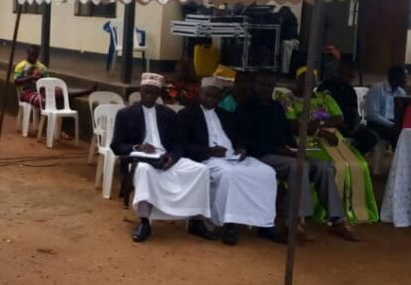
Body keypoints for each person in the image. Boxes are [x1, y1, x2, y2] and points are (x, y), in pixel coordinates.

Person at [235, 71, 359, 241]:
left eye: (270, 85)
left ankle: (338, 220)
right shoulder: (245, 108)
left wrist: (295, 150)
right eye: (262, 84)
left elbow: (286, 135)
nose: (266, 89)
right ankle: (294, 223)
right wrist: (285, 152)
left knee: (324, 167)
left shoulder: (276, 107)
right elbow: (249, 142)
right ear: (254, 85)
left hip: (283, 154)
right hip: (258, 156)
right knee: (299, 166)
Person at [111, 73, 214, 243]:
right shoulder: (125, 114)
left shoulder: (168, 114)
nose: (149, 95)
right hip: (140, 160)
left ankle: (195, 220)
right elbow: (116, 145)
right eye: (146, 91)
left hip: (165, 157)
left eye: (153, 92)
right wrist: (137, 147)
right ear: (140, 91)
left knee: (201, 170)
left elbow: (178, 143)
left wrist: (172, 157)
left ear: (159, 94)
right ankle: (144, 221)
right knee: (144, 171)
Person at [178, 79, 281, 245]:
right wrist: (210, 151)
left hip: (232, 157)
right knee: (230, 174)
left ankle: (264, 223)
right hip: (207, 159)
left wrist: (241, 149)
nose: (211, 99)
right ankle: (230, 224)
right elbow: (183, 144)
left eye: (215, 97)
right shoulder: (187, 114)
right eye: (207, 95)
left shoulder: (225, 115)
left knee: (267, 173)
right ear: (200, 94)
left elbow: (239, 137)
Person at [285, 67, 377, 224]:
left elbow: (339, 118)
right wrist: (320, 130)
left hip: (333, 139)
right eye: (304, 79)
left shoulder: (325, 97)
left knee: (359, 164)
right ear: (297, 80)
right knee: (333, 166)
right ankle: (324, 211)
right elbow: (293, 123)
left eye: (312, 80)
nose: (308, 83)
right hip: (305, 141)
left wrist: (319, 124)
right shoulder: (288, 99)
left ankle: (354, 209)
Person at [317, 59, 379, 154]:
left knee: (371, 137)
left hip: (349, 127)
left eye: (352, 77)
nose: (351, 79)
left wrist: (355, 125)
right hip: (331, 124)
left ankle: (354, 155)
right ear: (340, 73)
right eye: (349, 76)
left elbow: (354, 111)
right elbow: (319, 110)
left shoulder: (350, 90)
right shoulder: (325, 87)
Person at [13, 45, 94, 109]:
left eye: (35, 56)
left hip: (42, 90)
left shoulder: (42, 67)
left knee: (63, 93)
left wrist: (42, 79)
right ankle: (48, 117)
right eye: (31, 55)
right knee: (43, 102)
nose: (33, 58)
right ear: (27, 54)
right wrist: (30, 78)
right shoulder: (21, 66)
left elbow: (47, 80)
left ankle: (85, 91)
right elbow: (16, 82)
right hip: (27, 92)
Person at [364, 65, 408, 148]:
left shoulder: (401, 92)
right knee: (396, 134)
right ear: (396, 77)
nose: (406, 80)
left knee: (406, 132)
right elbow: (371, 115)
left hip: (393, 124)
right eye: (404, 77)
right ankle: (397, 154)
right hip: (376, 124)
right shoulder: (377, 89)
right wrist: (391, 125)